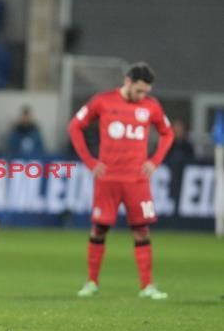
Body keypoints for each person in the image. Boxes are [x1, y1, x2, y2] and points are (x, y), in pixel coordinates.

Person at [68, 62, 174, 300]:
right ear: (127, 82)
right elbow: (75, 126)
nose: (142, 96)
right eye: (139, 91)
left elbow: (168, 133)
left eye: (146, 91)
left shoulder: (151, 107)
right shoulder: (102, 101)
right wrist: (90, 162)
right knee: (99, 229)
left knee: (141, 231)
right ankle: (92, 282)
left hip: (137, 180)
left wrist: (155, 161)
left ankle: (147, 286)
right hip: (108, 178)